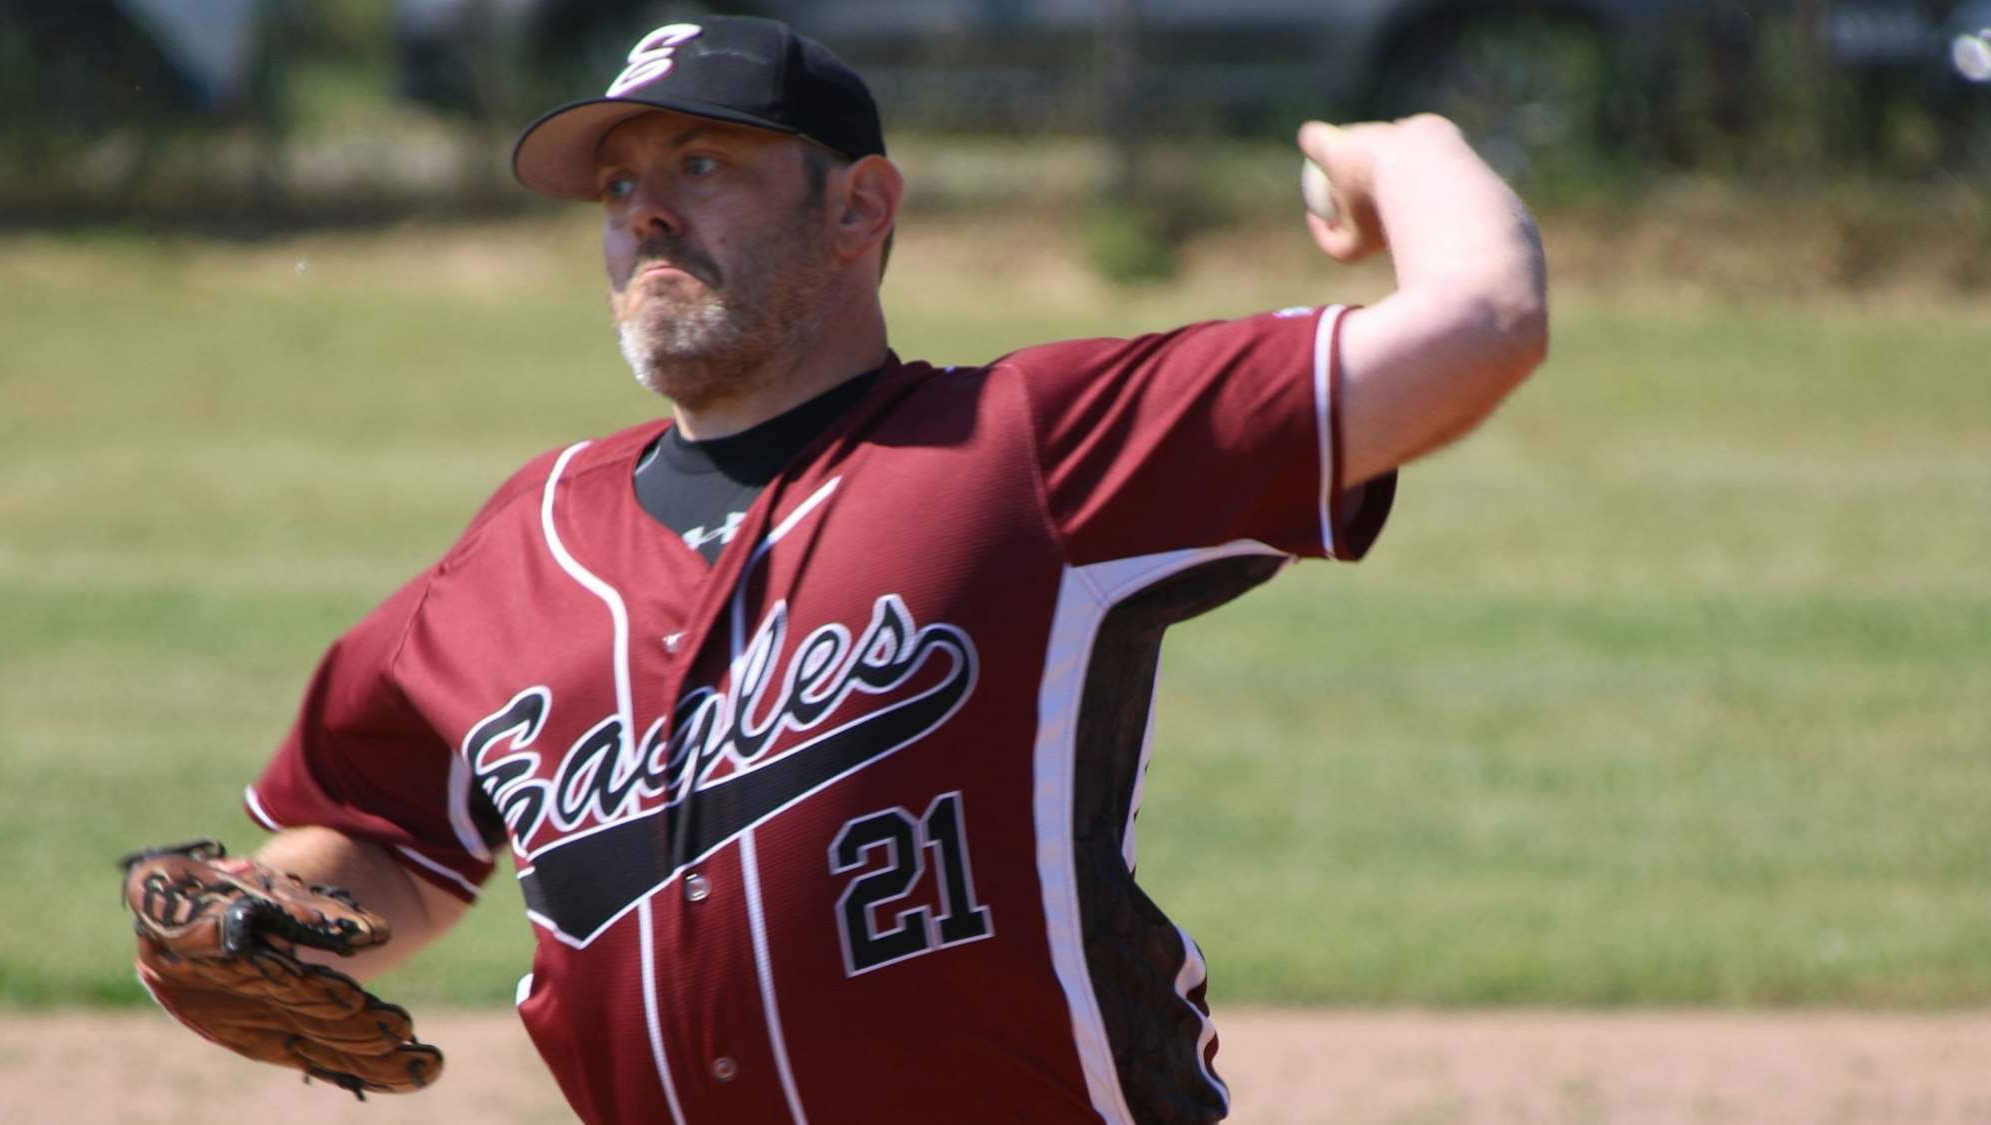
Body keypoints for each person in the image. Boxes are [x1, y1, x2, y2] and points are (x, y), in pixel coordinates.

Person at [202, 15, 1545, 1124]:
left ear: (859, 208)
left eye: (703, 164)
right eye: (617, 187)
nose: (645, 212)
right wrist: (247, 919)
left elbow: (1479, 324)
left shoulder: (1022, 449)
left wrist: (1411, 151)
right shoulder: (525, 540)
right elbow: (384, 840)